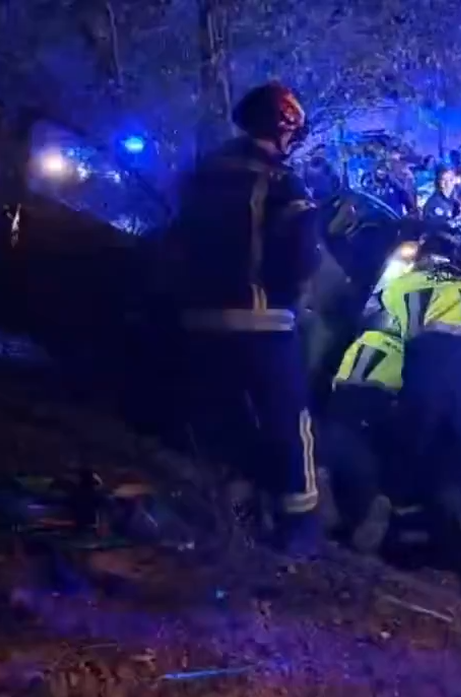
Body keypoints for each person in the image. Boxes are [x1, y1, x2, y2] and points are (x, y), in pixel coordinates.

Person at [172, 82, 323, 556]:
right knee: (287, 422)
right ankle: (298, 529)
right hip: (263, 324)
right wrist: (293, 297)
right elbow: (302, 257)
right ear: (283, 129)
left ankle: (226, 516)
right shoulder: (282, 182)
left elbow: (176, 242)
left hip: (199, 322)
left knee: (222, 421)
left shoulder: (203, 174)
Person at [380, 230, 461, 601]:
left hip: (427, 371)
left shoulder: (404, 283)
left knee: (408, 456)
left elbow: (384, 323)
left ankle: (405, 553)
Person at [324, 327, 404, 553]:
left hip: (341, 394)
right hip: (377, 400)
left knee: (339, 451)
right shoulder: (409, 349)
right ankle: (368, 512)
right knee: (368, 463)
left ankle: (329, 498)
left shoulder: (367, 336)